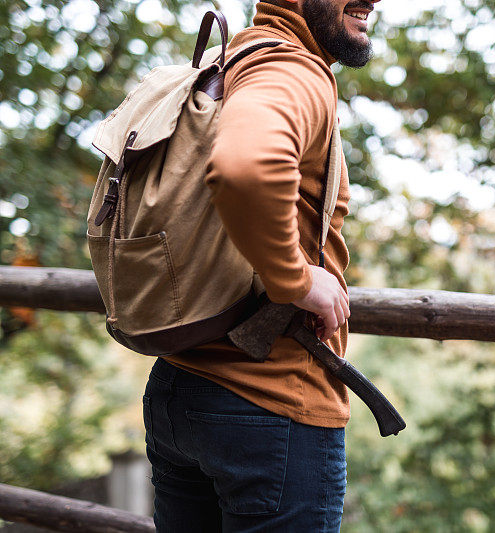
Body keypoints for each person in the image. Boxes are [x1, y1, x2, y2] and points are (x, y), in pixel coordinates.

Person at [141, 0, 381, 530]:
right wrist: (293, 279)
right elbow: (245, 168)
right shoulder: (292, 68)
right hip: (269, 401)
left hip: (180, 383)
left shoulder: (237, 57)